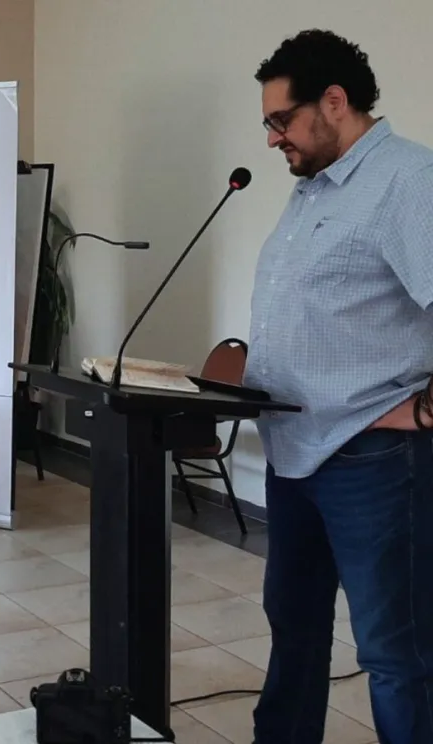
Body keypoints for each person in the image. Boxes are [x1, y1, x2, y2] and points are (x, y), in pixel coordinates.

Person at [244, 29, 433, 744]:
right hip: (294, 453)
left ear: (334, 101)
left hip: (372, 462)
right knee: (294, 630)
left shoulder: (410, 182)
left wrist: (422, 413)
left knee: (395, 655)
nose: (273, 139)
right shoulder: (312, 189)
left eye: (281, 120)